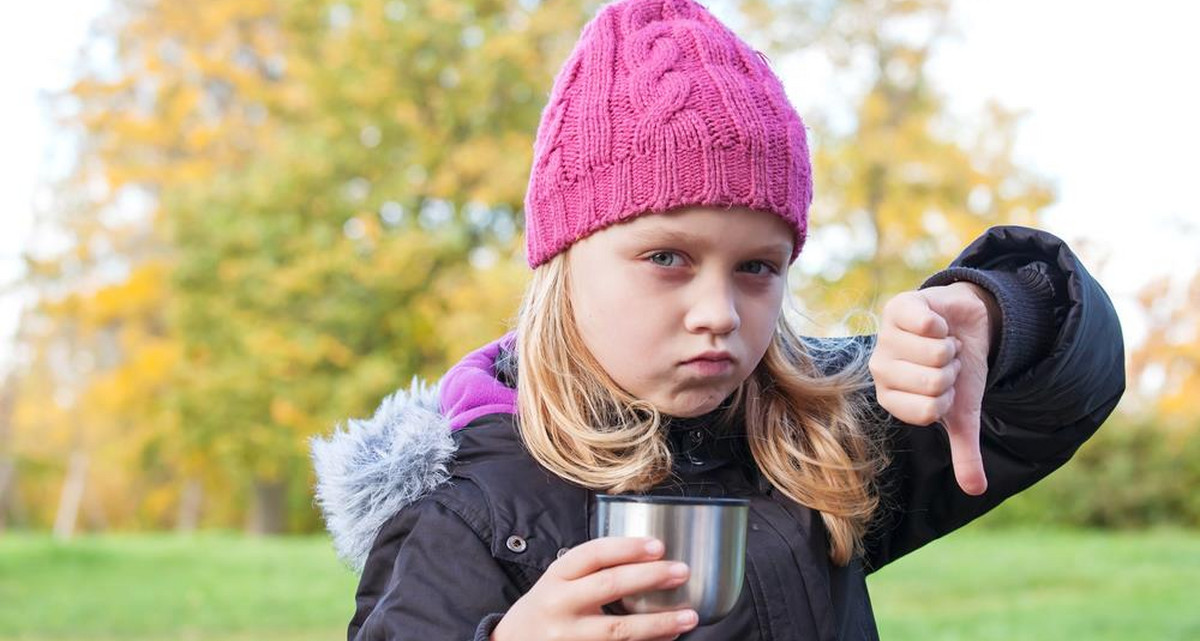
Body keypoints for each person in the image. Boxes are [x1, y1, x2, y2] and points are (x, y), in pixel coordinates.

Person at [310, 0, 1125, 639]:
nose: (718, 313)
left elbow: (1065, 388)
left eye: (757, 267)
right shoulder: (463, 510)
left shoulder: (818, 438)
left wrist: (991, 315)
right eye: (666, 257)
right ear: (562, 261)